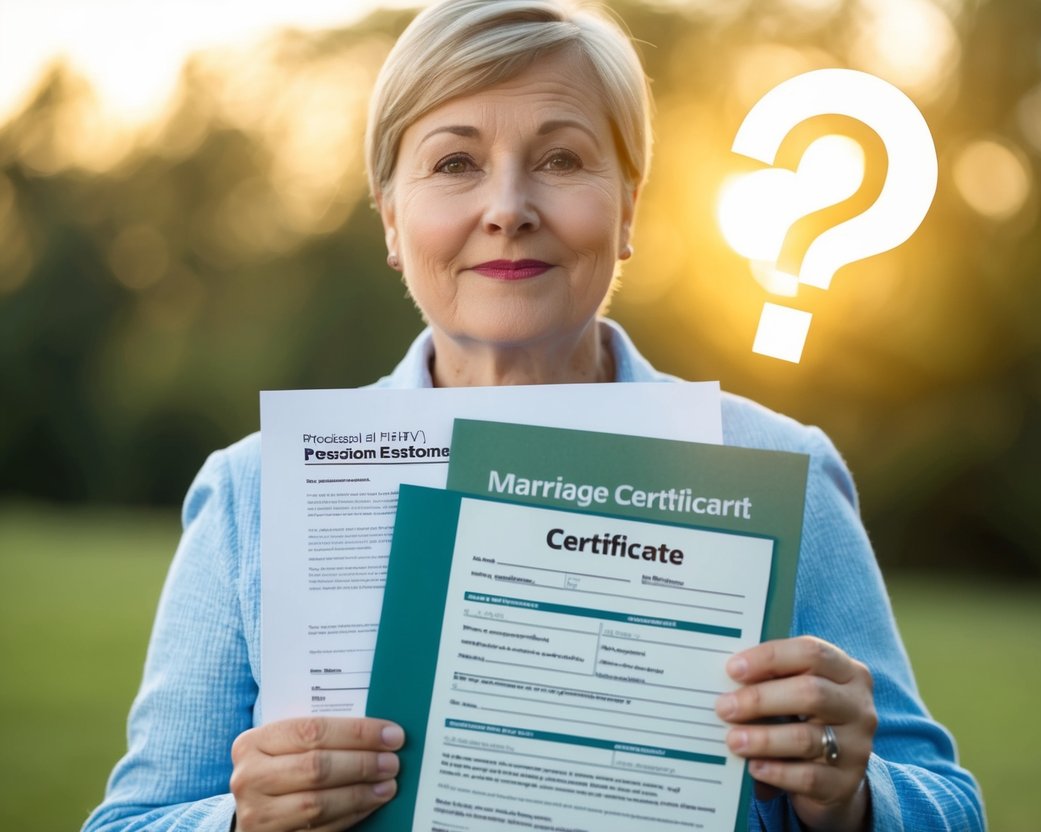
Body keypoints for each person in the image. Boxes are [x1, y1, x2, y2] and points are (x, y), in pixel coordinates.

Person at [84, 1, 986, 830]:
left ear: (628, 207)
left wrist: (853, 794)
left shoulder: (774, 465)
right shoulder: (255, 490)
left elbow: (948, 806)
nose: (508, 209)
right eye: (454, 164)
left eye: (559, 159)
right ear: (392, 219)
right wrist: (238, 822)